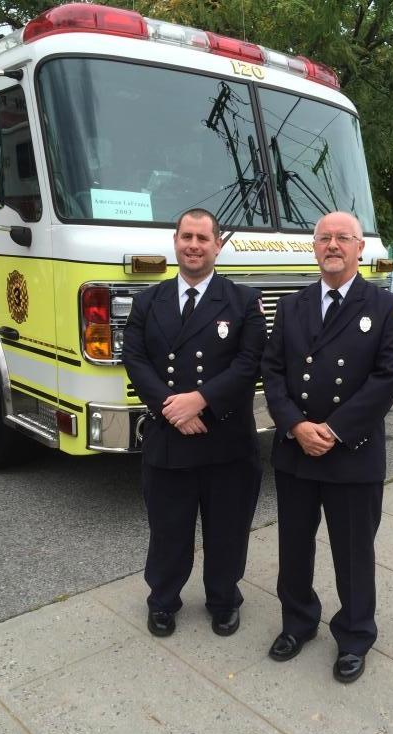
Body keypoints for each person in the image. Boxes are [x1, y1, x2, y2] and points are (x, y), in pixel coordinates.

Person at [261, 211, 393, 682]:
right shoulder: (292, 306)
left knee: (353, 552)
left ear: (360, 248)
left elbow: (385, 381)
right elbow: (273, 372)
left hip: (353, 452)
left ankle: (355, 634)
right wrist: (296, 426)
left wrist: (334, 430)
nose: (332, 245)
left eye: (342, 238)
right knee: (294, 548)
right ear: (314, 247)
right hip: (296, 451)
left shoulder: (385, 307)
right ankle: (298, 622)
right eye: (324, 237)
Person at [123, 208, 266, 638]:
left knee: (227, 530)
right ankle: (163, 600)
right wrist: (173, 408)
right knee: (169, 529)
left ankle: (224, 599)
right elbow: (134, 358)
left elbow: (250, 363)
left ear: (217, 246)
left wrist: (199, 401)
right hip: (171, 439)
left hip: (226, 441)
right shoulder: (149, 301)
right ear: (175, 242)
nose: (194, 245)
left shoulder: (243, 301)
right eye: (187, 236)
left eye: (203, 238)